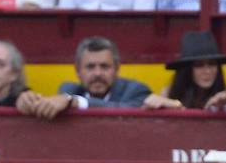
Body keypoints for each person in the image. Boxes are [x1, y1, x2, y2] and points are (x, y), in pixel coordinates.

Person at [16, 35, 150, 118]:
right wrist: (28, 101)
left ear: (117, 69)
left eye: (104, 67)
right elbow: (49, 107)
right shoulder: (68, 90)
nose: (98, 73)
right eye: (90, 67)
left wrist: (76, 102)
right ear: (77, 70)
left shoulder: (136, 90)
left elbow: (125, 111)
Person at [147, 29, 226, 110]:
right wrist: (168, 104)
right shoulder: (169, 95)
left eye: (212, 64)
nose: (207, 71)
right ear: (187, 70)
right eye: (199, 65)